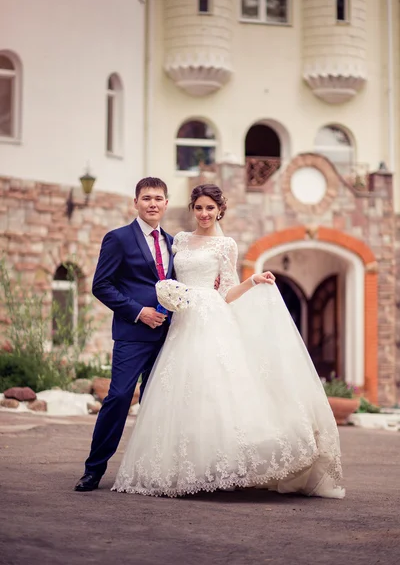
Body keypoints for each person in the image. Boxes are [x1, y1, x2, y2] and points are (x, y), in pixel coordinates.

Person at [112, 184, 345, 499]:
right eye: (199, 207)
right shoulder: (178, 240)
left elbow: (227, 291)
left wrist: (253, 280)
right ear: (192, 209)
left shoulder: (225, 245)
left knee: (216, 387)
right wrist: (168, 293)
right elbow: (166, 276)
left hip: (211, 317)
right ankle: (183, 467)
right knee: (181, 392)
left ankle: (222, 466)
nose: (204, 214)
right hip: (182, 321)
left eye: (210, 208)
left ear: (220, 210)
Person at [74, 177, 174, 492]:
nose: (153, 204)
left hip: (170, 336)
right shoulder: (118, 239)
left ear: (166, 203)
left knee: (159, 402)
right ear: (136, 203)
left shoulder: (173, 242)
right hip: (133, 333)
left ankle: (155, 469)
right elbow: (101, 285)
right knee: (118, 397)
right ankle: (94, 469)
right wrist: (137, 311)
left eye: (158, 198)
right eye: (146, 198)